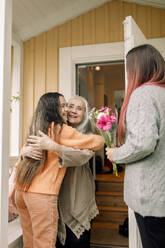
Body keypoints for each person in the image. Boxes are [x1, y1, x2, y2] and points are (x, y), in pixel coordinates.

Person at [9, 92, 104, 248]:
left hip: (23, 191)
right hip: (41, 194)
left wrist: (51, 147)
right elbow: (98, 141)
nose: (67, 109)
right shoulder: (60, 129)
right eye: (64, 105)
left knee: (30, 242)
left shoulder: (37, 127)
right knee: (44, 243)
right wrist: (23, 153)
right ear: (54, 108)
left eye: (76, 108)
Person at [106, 44, 165, 248]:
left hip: (152, 198)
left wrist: (116, 154)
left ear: (136, 69)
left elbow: (143, 143)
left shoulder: (143, 94)